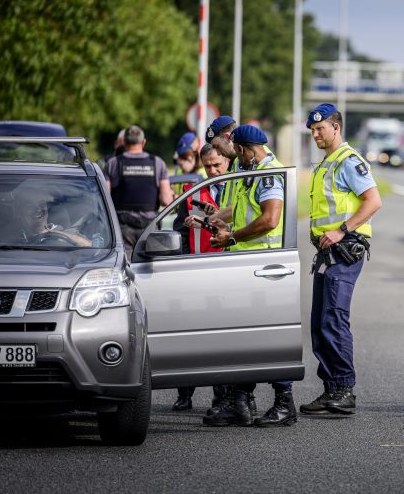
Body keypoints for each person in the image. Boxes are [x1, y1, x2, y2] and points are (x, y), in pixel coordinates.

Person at [189, 124, 296, 428]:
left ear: (251, 149)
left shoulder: (267, 173)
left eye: (238, 151)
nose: (235, 155)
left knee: (271, 340)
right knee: (245, 338)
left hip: (266, 267)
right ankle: (240, 404)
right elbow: (235, 209)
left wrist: (233, 237)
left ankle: (284, 403)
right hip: (247, 265)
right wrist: (210, 219)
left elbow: (270, 218)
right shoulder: (247, 169)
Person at [300, 103, 382, 416]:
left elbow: (374, 201)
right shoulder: (326, 163)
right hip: (327, 252)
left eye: (320, 128)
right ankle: (331, 389)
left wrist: (341, 230)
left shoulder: (349, 160)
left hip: (345, 248)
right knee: (320, 324)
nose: (316, 134)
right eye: (312, 130)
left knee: (333, 319)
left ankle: (344, 389)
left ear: (336, 126)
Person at [168, 143, 230, 412]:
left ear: (228, 161)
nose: (213, 170)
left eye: (217, 164)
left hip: (226, 272)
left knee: (220, 339)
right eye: (208, 166)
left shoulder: (237, 190)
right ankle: (185, 393)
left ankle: (221, 396)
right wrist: (181, 264)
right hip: (196, 269)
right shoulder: (193, 192)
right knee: (189, 335)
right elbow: (179, 231)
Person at [104, 125, 174, 258]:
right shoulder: (157, 163)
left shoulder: (113, 163)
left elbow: (105, 199)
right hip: (149, 227)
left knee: (125, 267)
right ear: (143, 142)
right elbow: (166, 200)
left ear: (124, 142)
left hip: (122, 228)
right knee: (149, 269)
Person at [13, 192, 91, 247]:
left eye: (41, 204)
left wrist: (53, 234)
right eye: (30, 206)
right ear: (19, 211)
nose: (37, 209)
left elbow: (88, 245)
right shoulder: (11, 239)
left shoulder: (69, 233)